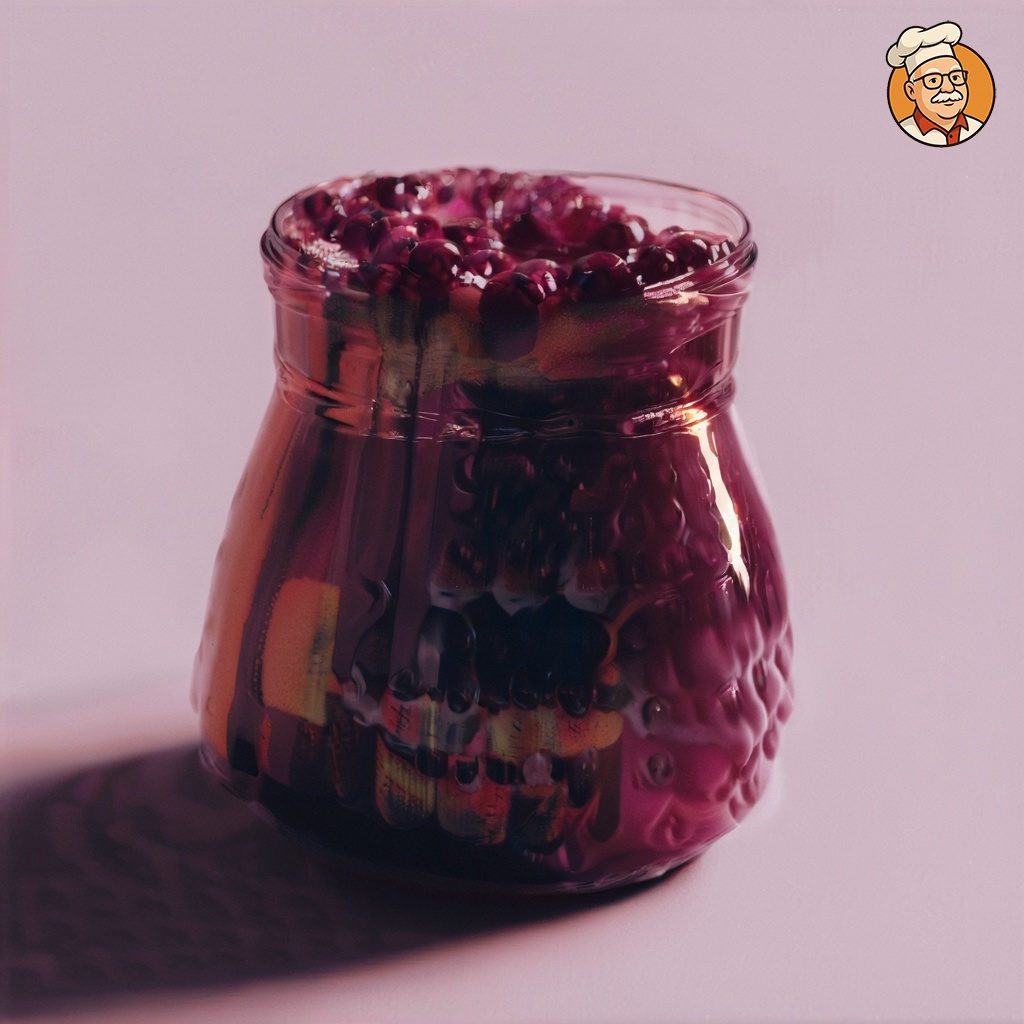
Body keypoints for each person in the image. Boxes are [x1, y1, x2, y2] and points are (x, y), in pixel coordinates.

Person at [886, 23, 984, 146]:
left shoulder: (977, 128)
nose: (948, 88)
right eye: (933, 81)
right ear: (911, 91)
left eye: (955, 77)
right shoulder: (904, 133)